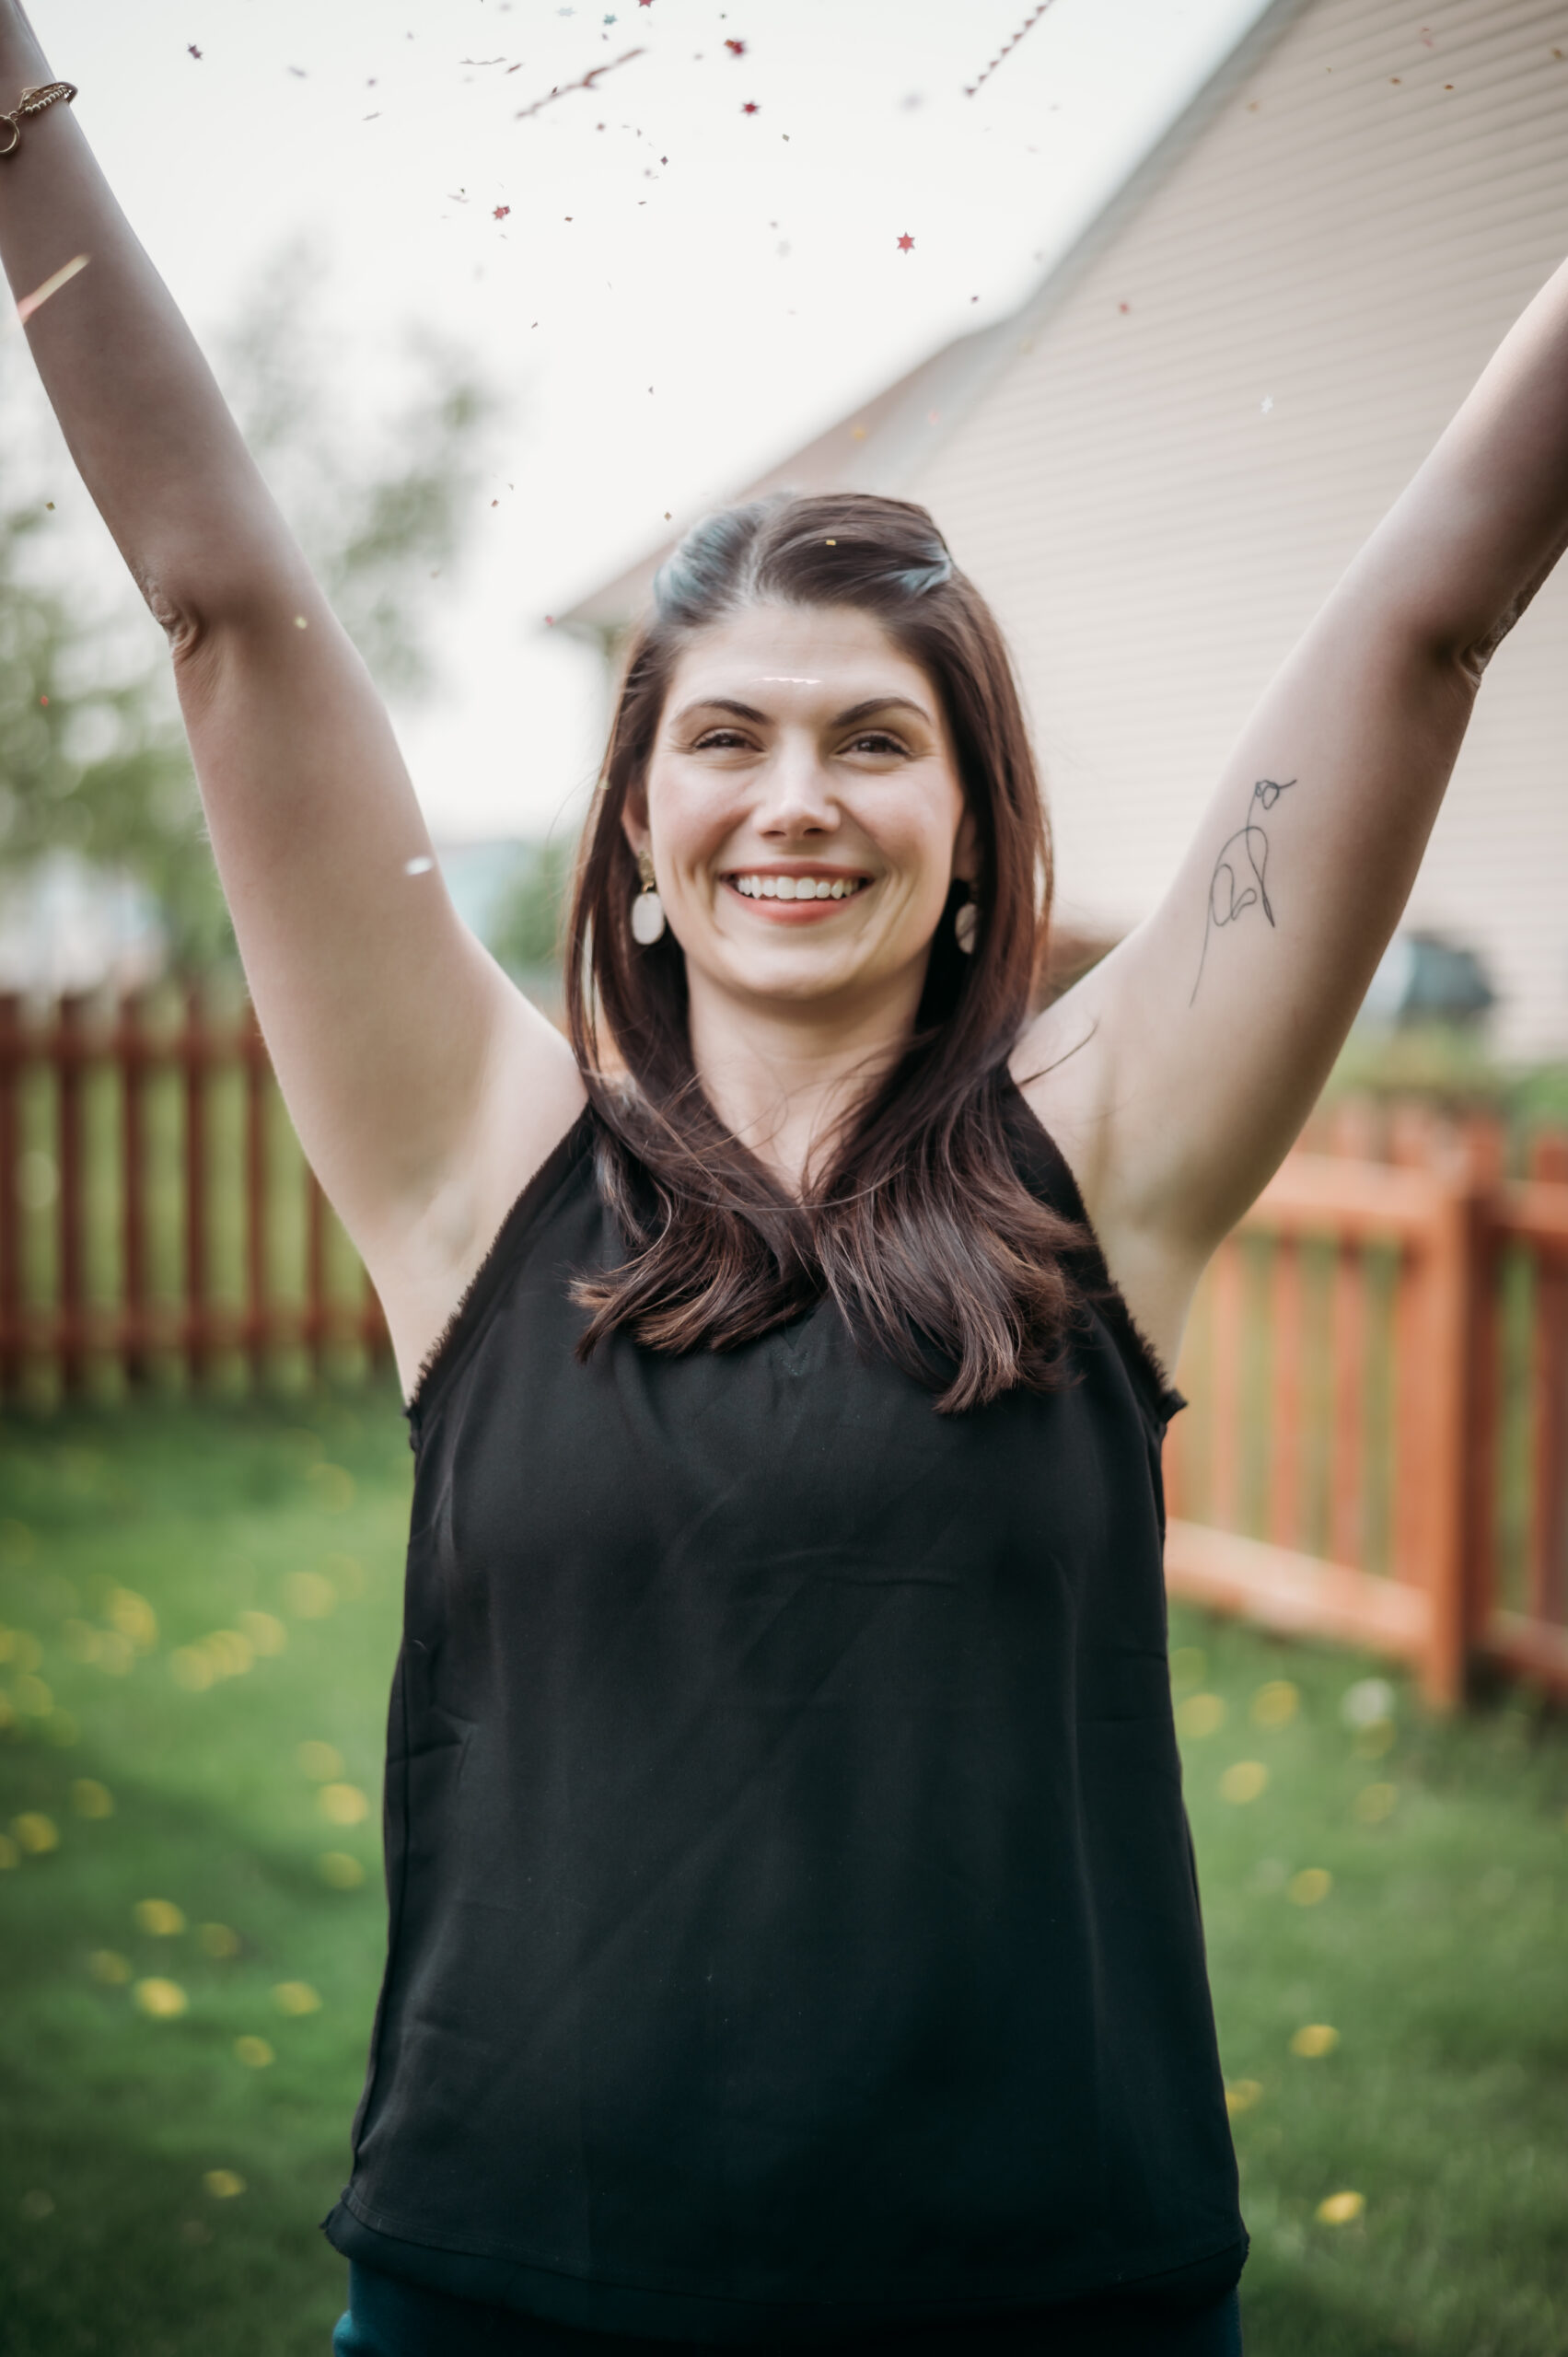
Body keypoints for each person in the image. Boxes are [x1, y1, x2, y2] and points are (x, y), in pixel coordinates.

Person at [6, 8, 1568, 2350]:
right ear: (640, 828)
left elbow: (1435, 614)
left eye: (875, 738)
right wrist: (16, 125)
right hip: (504, 2296)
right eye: (724, 735)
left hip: (1053, 2302)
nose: (795, 797)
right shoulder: (471, 1167)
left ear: (968, 840)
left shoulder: (1104, 1166)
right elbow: (221, 602)